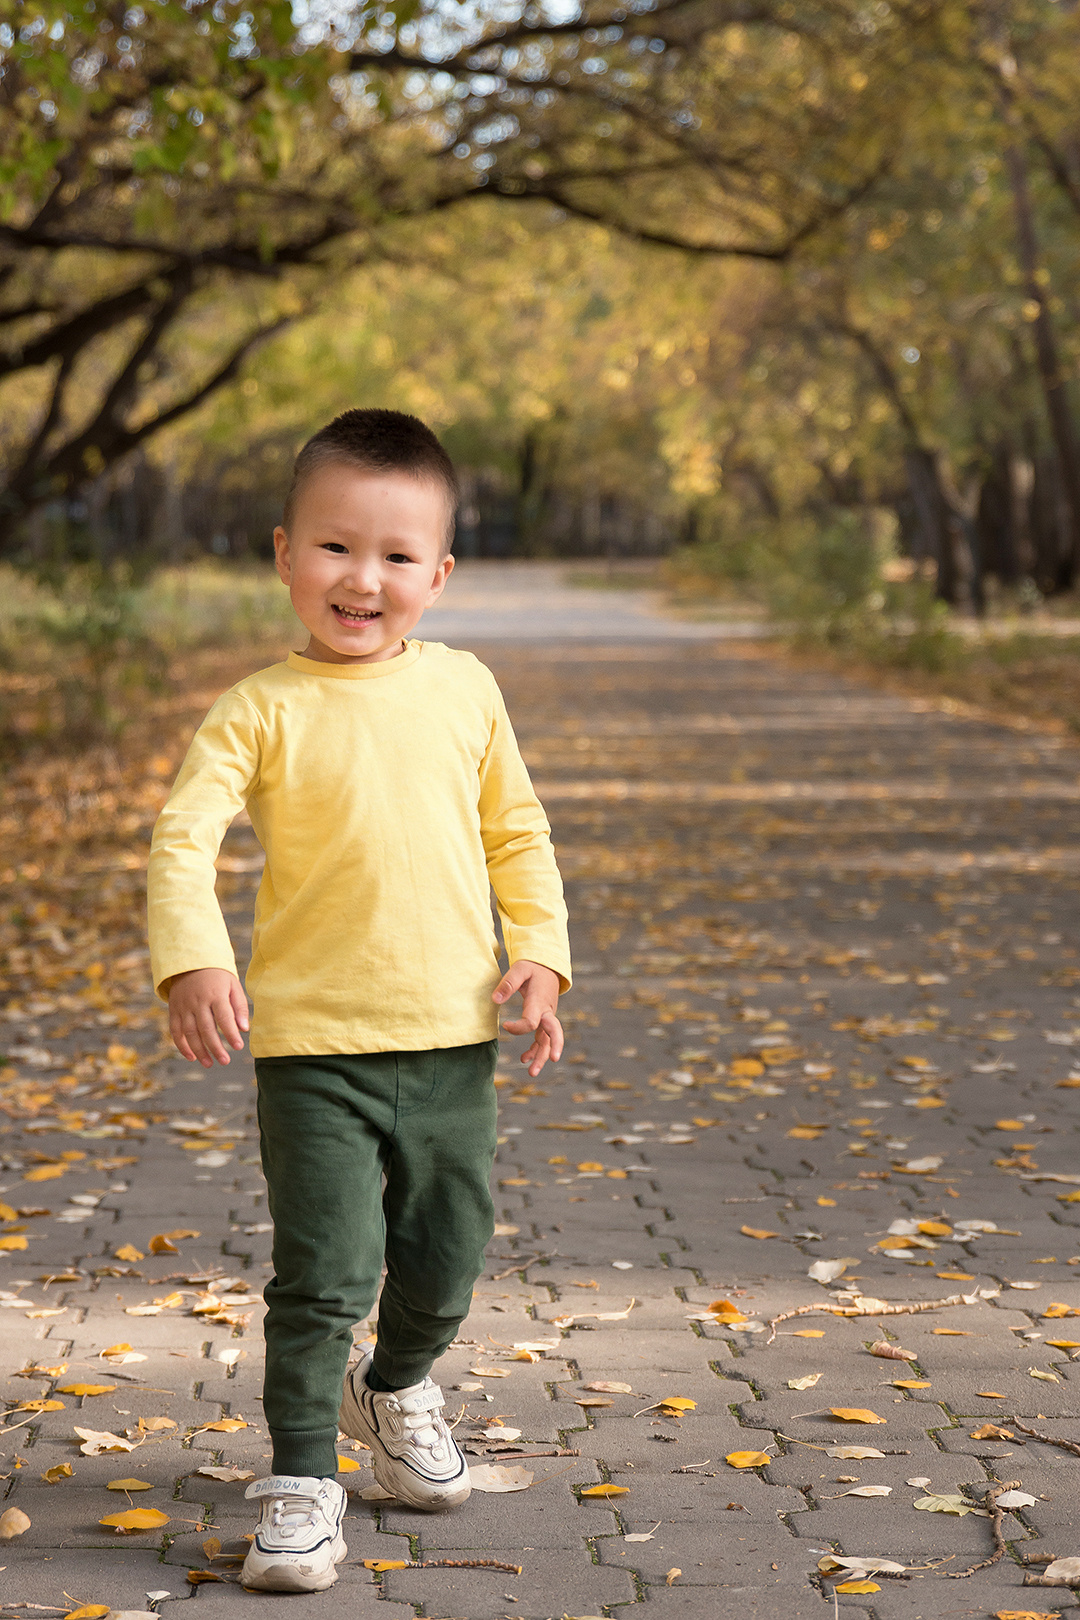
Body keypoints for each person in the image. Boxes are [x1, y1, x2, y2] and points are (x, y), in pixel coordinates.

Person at [147, 409, 571, 1593]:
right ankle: (299, 1482)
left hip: (451, 1040)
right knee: (324, 1269)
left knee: (447, 1252)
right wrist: (194, 957)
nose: (362, 578)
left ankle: (392, 1390)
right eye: (336, 548)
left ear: (439, 574)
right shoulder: (258, 707)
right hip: (313, 1048)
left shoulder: (467, 691)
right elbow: (184, 839)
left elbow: (517, 832)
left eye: (394, 556)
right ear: (285, 554)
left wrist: (541, 952)